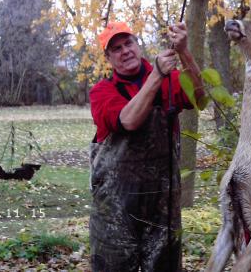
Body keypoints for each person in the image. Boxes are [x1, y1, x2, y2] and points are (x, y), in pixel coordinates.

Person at [88, 20, 205, 271]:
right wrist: (156, 76)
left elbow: (200, 97)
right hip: (114, 213)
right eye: (116, 48)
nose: (125, 51)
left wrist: (184, 50)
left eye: (128, 43)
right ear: (109, 58)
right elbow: (128, 121)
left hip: (162, 208)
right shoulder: (101, 92)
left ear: (138, 45)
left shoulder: (170, 79)